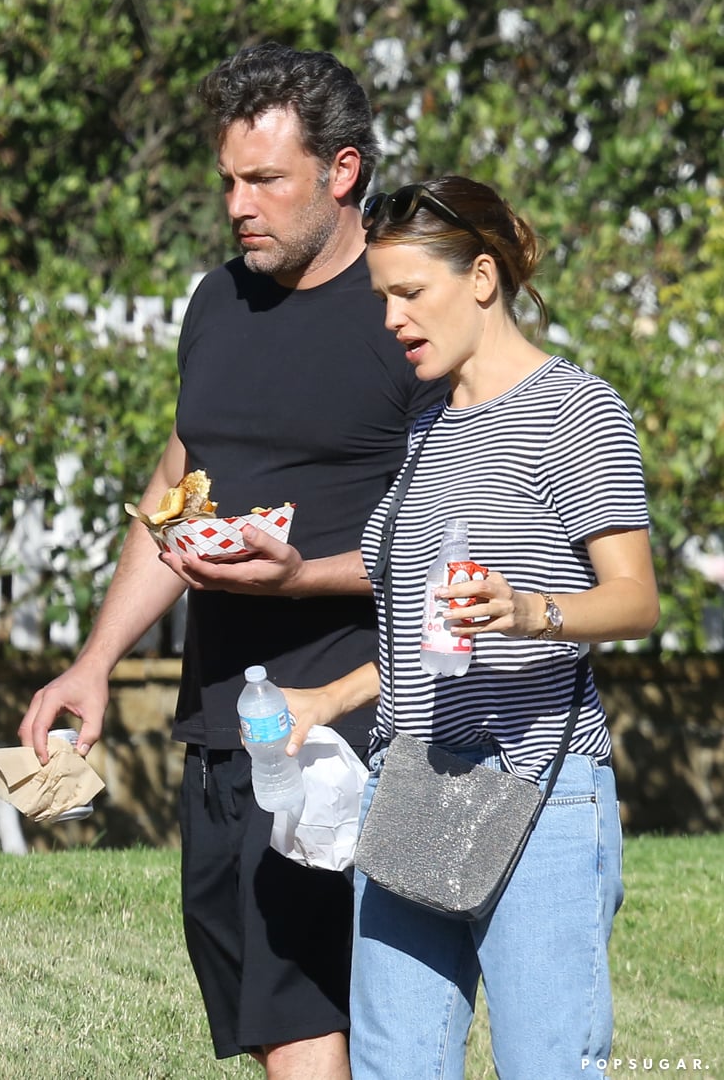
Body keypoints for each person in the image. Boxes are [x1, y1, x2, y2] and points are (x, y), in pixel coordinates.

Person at [18, 44, 443, 1079]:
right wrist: (96, 660)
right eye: (228, 181)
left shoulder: (409, 312)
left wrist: (302, 577)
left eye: (266, 181)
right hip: (221, 724)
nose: (239, 205)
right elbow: (177, 497)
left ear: (343, 173)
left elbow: (456, 539)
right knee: (256, 995)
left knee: (297, 1003)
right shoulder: (218, 301)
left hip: (348, 723)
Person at [285, 176, 660, 1080]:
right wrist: (326, 700)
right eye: (383, 299)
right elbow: (426, 628)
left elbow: (638, 600)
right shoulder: (425, 424)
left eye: (410, 293)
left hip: (540, 793)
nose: (393, 320)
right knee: (395, 1066)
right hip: (413, 786)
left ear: (482, 277)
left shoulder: (576, 410)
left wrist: (533, 611)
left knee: (547, 1067)